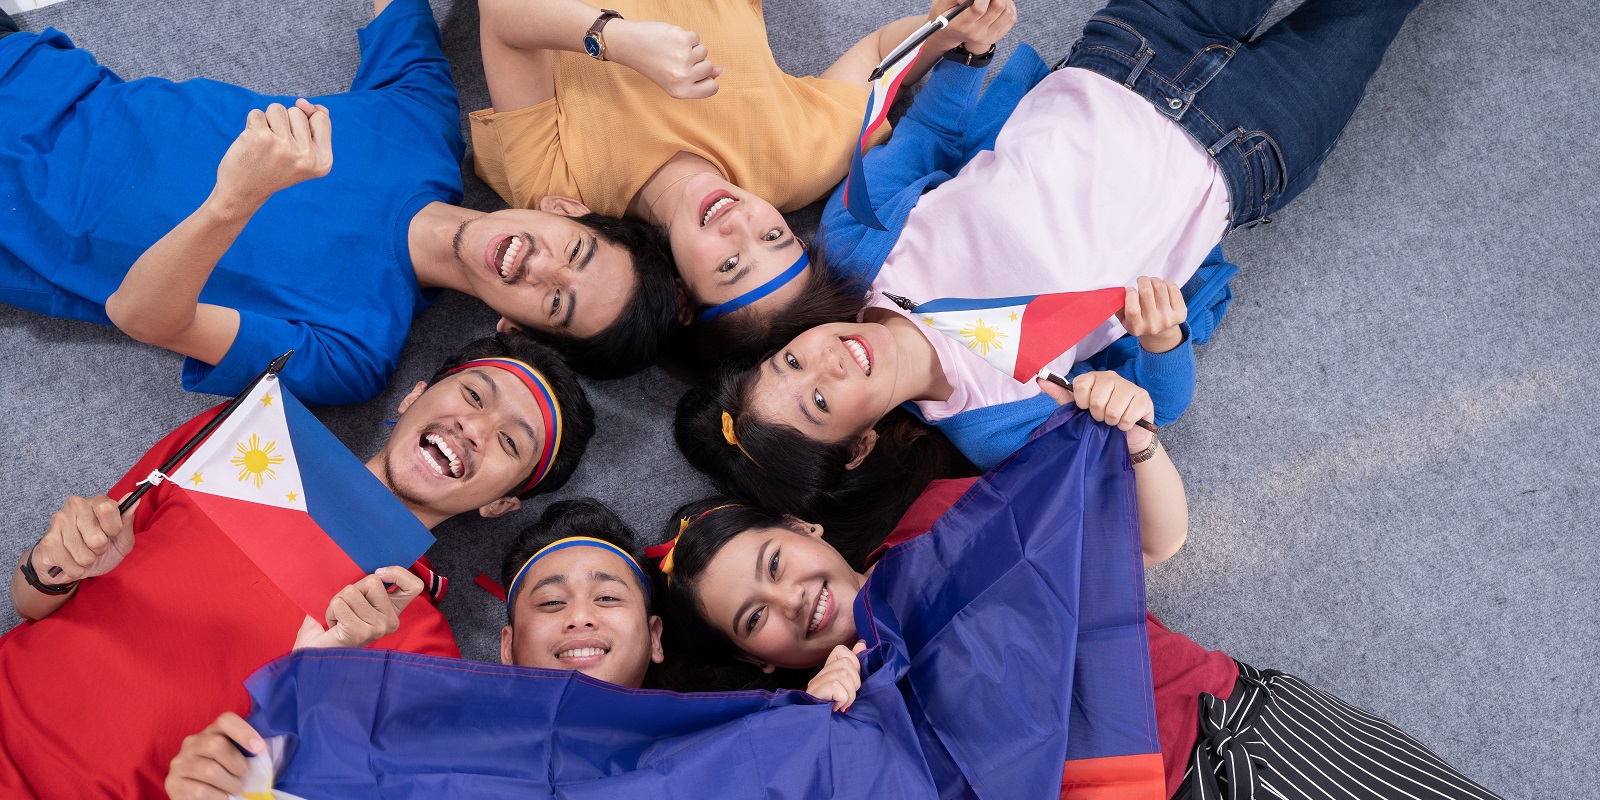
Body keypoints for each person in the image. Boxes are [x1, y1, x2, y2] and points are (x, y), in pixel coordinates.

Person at [658, 412, 1505, 800]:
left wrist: (1134, 439)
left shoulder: (943, 522)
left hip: (1231, 726)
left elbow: (1151, 544)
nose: (790, 597)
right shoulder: (825, 727)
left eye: (775, 562)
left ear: (807, 527)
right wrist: (828, 727)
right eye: (755, 615)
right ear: (759, 658)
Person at [0, 331, 596, 798]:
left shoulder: (419, 651)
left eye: (511, 443)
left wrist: (310, 685)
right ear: (415, 395)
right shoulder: (238, 443)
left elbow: (271, 789)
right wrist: (53, 566)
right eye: (473, 395)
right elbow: (31, 604)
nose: (475, 429)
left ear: (500, 505)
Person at [0, 0, 676, 403]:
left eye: (557, 301)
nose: (542, 267)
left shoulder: (355, 352)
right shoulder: (423, 122)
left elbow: (142, 316)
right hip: (31, 71)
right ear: (562, 209)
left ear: (519, 331)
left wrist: (233, 203)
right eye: (577, 253)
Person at [469, 0, 1017, 338]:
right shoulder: (800, 162)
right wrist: (949, 27)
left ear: (682, 296)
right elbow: (880, 55)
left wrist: (614, 38)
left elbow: (502, 14)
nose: (741, 224)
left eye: (731, 264)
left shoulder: (560, 200)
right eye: (775, 235)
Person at [164, 496, 664, 799]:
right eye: (551, 603)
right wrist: (224, 778)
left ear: (656, 636)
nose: (579, 616)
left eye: (606, 597)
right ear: (507, 647)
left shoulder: (721, 753)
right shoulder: (403, 745)